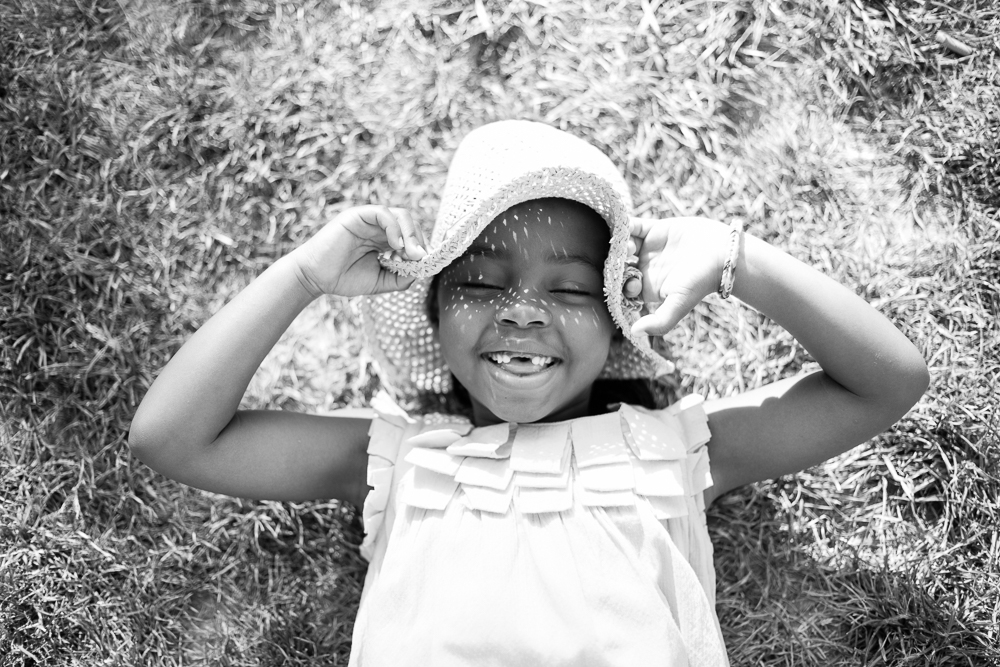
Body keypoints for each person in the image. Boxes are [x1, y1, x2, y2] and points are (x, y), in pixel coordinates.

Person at [129, 120, 929, 665]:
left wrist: (732, 258)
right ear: (436, 312)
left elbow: (888, 382)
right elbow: (171, 437)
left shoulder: (674, 452)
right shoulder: (399, 458)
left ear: (618, 326)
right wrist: (305, 274)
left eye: (572, 290)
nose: (521, 310)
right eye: (479, 282)